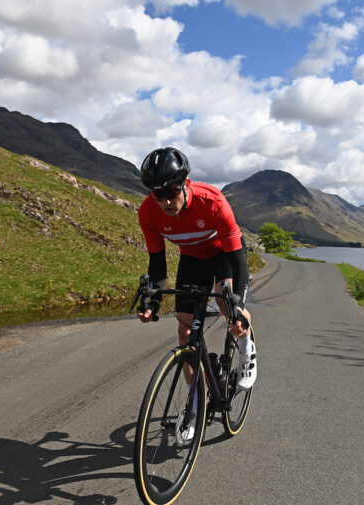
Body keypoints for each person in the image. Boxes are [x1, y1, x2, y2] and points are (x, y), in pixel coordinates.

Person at [135, 147, 256, 444]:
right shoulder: (148, 212)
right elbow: (157, 261)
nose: (165, 201)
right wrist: (151, 301)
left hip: (223, 254)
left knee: (226, 303)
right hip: (191, 259)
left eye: (171, 192)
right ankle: (194, 405)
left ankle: (246, 349)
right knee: (185, 330)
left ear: (186, 183)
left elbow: (237, 257)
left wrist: (237, 305)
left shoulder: (212, 202)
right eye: (157, 194)